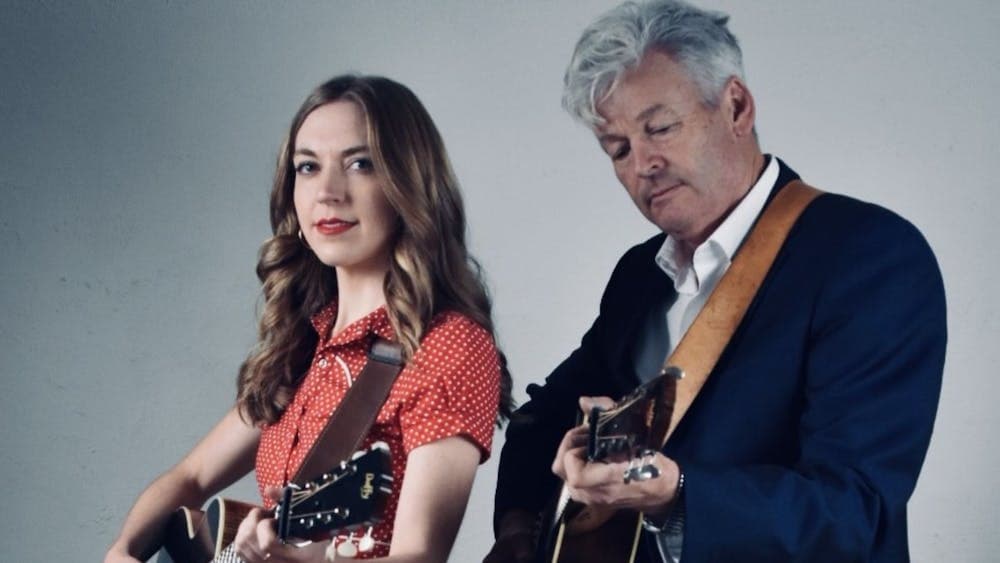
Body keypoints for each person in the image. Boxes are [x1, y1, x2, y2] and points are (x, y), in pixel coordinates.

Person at [486, 1, 946, 562]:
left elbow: (854, 510)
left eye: (661, 128)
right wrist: (517, 531)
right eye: (618, 149)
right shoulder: (639, 276)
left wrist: (674, 496)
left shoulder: (870, 255)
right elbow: (541, 419)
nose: (642, 165)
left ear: (736, 107)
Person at [105, 74, 512, 563]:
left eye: (361, 164)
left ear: (409, 181)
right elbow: (189, 478)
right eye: (308, 167)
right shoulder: (303, 344)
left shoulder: (449, 345)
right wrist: (123, 551)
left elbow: (419, 555)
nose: (328, 192)